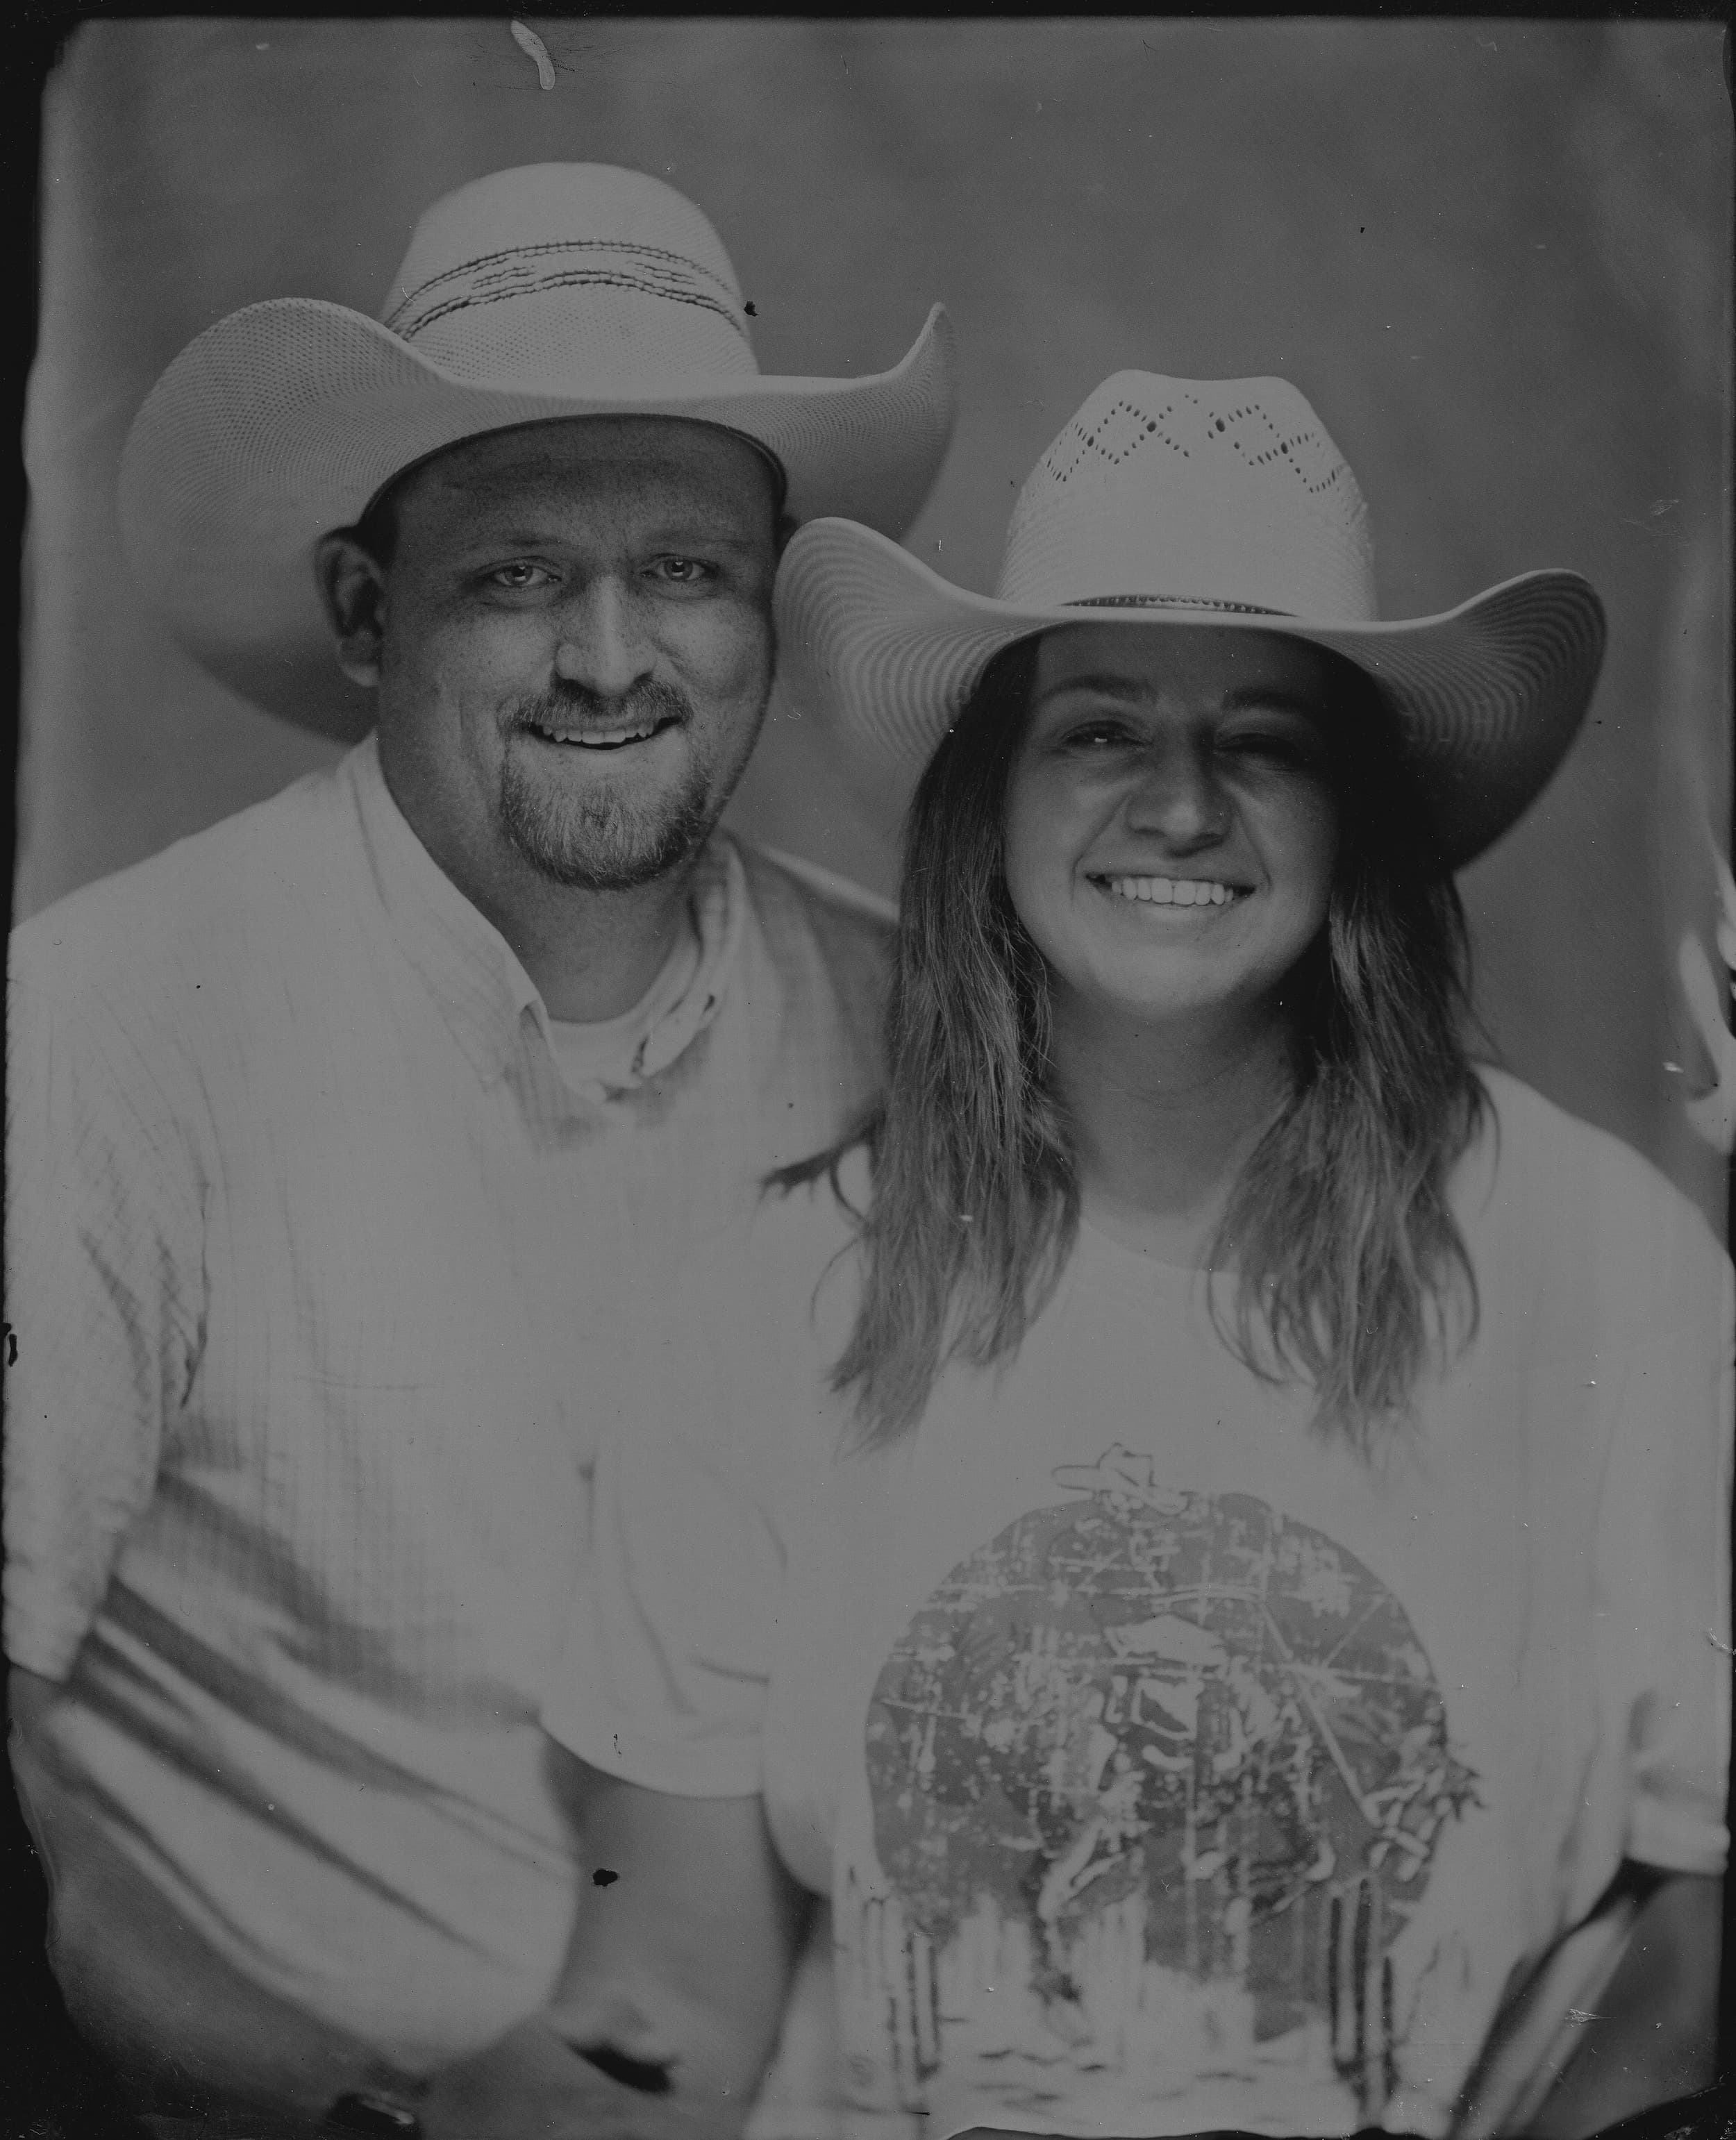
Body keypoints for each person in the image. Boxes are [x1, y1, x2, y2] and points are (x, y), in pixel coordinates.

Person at [526, 372, 1730, 2140]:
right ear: (988, 805)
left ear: (1353, 813)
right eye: (1098, 729)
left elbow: (1705, 1919)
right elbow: (668, 1997)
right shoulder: (776, 1302)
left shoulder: (1601, 1259)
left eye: (1261, 740)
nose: (1179, 805)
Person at [5, 160, 955, 2134]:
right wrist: (384, 2108)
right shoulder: (103, 1044)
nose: (612, 658)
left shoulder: (919, 1033)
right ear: (369, 611)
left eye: (685, 570)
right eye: (519, 573)